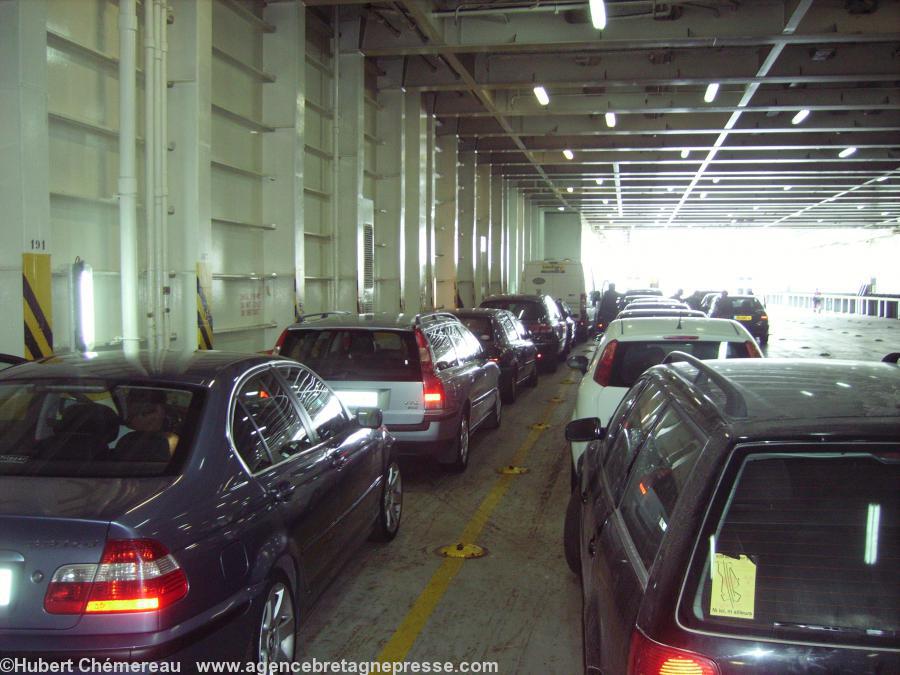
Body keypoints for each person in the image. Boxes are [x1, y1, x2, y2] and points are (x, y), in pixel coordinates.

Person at [120, 388, 179, 455]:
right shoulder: (126, 441)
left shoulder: (171, 442)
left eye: (134, 413)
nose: (129, 417)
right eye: (132, 413)